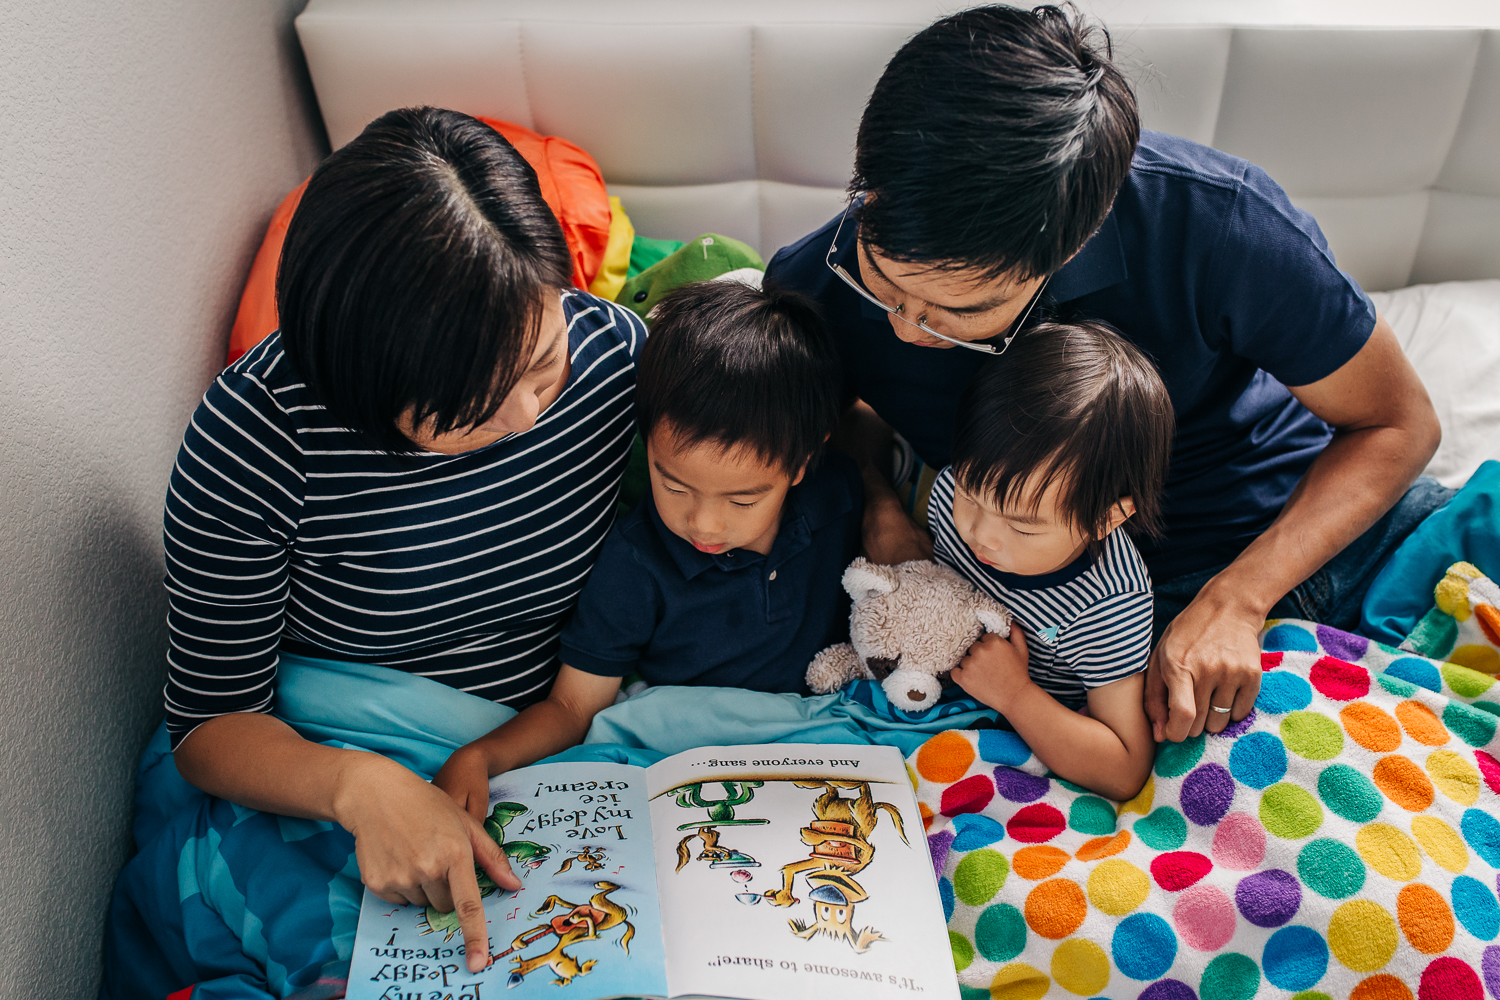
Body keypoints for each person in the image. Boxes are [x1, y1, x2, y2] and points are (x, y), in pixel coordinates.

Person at [764, 4, 1447, 746]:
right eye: (885, 286)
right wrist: (878, 501)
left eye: (950, 313)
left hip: (1255, 537)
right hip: (1016, 590)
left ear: (1073, 244)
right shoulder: (816, 281)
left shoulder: (1218, 227)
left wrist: (1239, 599)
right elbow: (841, 419)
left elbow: (1399, 423)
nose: (902, 328)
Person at [161, 107, 647, 972]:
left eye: (541, 363)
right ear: (357, 381)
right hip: (343, 742)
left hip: (552, 734)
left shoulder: (619, 364)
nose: (525, 416)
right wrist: (358, 787)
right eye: (466, 410)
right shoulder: (257, 434)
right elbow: (211, 722)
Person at [434, 280, 863, 810]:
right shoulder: (634, 562)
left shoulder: (837, 500)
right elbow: (573, 706)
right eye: (674, 485)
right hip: (682, 764)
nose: (703, 524)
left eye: (743, 501)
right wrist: (480, 757)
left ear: (800, 465)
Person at [937, 322, 1167, 800]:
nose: (981, 535)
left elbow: (1124, 767)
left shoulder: (1107, 604)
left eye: (1023, 527)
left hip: (1033, 717)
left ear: (1106, 519)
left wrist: (1015, 694)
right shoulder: (948, 492)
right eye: (971, 495)